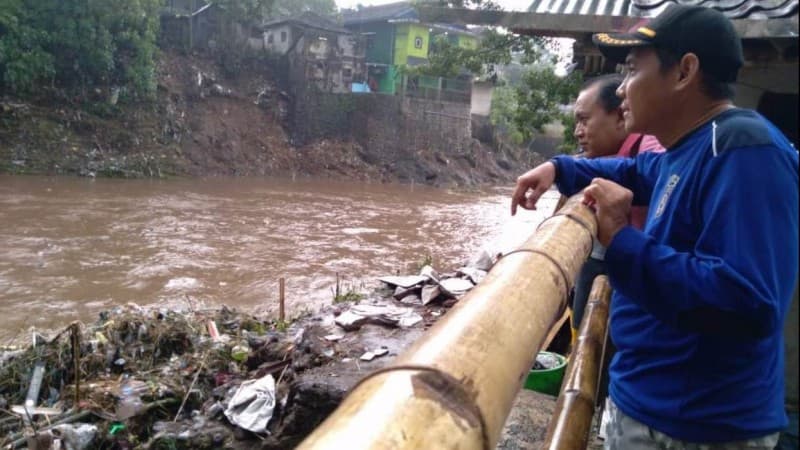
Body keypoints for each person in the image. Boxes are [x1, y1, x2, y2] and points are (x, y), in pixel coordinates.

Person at [510, 4, 798, 448]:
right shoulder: (689, 147)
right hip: (652, 402)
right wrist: (559, 169)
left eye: (631, 70)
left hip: (695, 425)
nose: (622, 88)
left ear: (684, 71)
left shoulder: (744, 149)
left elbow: (748, 299)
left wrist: (621, 240)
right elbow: (637, 172)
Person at [566, 74, 664, 351]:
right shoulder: (623, 159)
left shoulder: (654, 150)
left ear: (621, 117)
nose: (578, 131)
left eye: (584, 120)